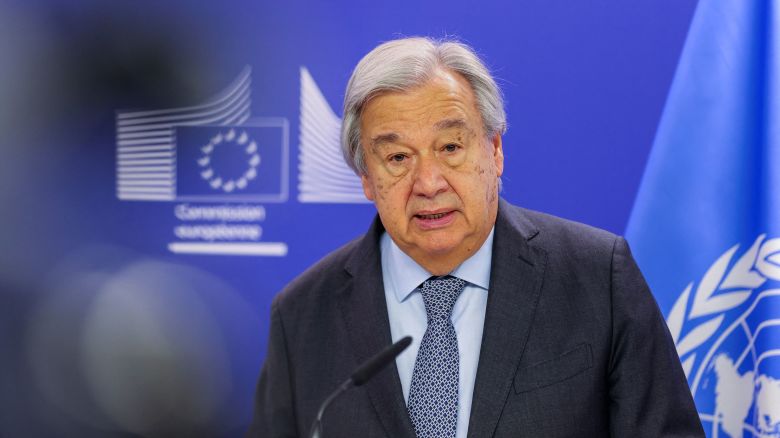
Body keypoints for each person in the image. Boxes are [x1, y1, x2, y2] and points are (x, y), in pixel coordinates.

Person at [248, 37, 704, 438]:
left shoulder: (597, 277)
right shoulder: (303, 315)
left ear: (495, 150)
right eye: (397, 157)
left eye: (450, 148)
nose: (428, 182)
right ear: (367, 178)